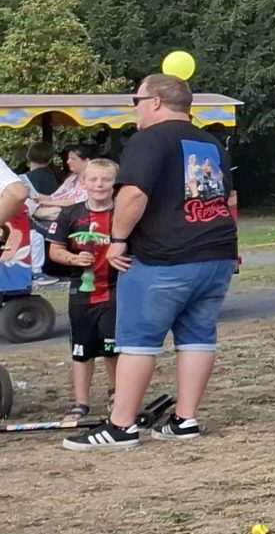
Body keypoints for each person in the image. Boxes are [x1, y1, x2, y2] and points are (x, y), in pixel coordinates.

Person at [66, 74, 237, 449]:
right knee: (198, 337)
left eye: (137, 101)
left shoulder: (148, 139)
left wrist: (118, 240)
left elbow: (134, 195)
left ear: (156, 102)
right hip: (217, 253)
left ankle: (121, 425)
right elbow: (227, 197)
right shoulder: (210, 142)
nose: (135, 109)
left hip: (164, 255)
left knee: (139, 340)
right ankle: (185, 419)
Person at [46, 157, 118, 421]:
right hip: (82, 291)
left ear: (115, 183)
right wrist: (74, 259)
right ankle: (81, 402)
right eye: (94, 179)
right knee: (81, 348)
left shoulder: (123, 212)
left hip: (115, 288)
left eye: (106, 180)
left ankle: (116, 393)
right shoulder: (71, 214)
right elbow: (55, 251)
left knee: (112, 346)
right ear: (83, 182)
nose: (100, 185)